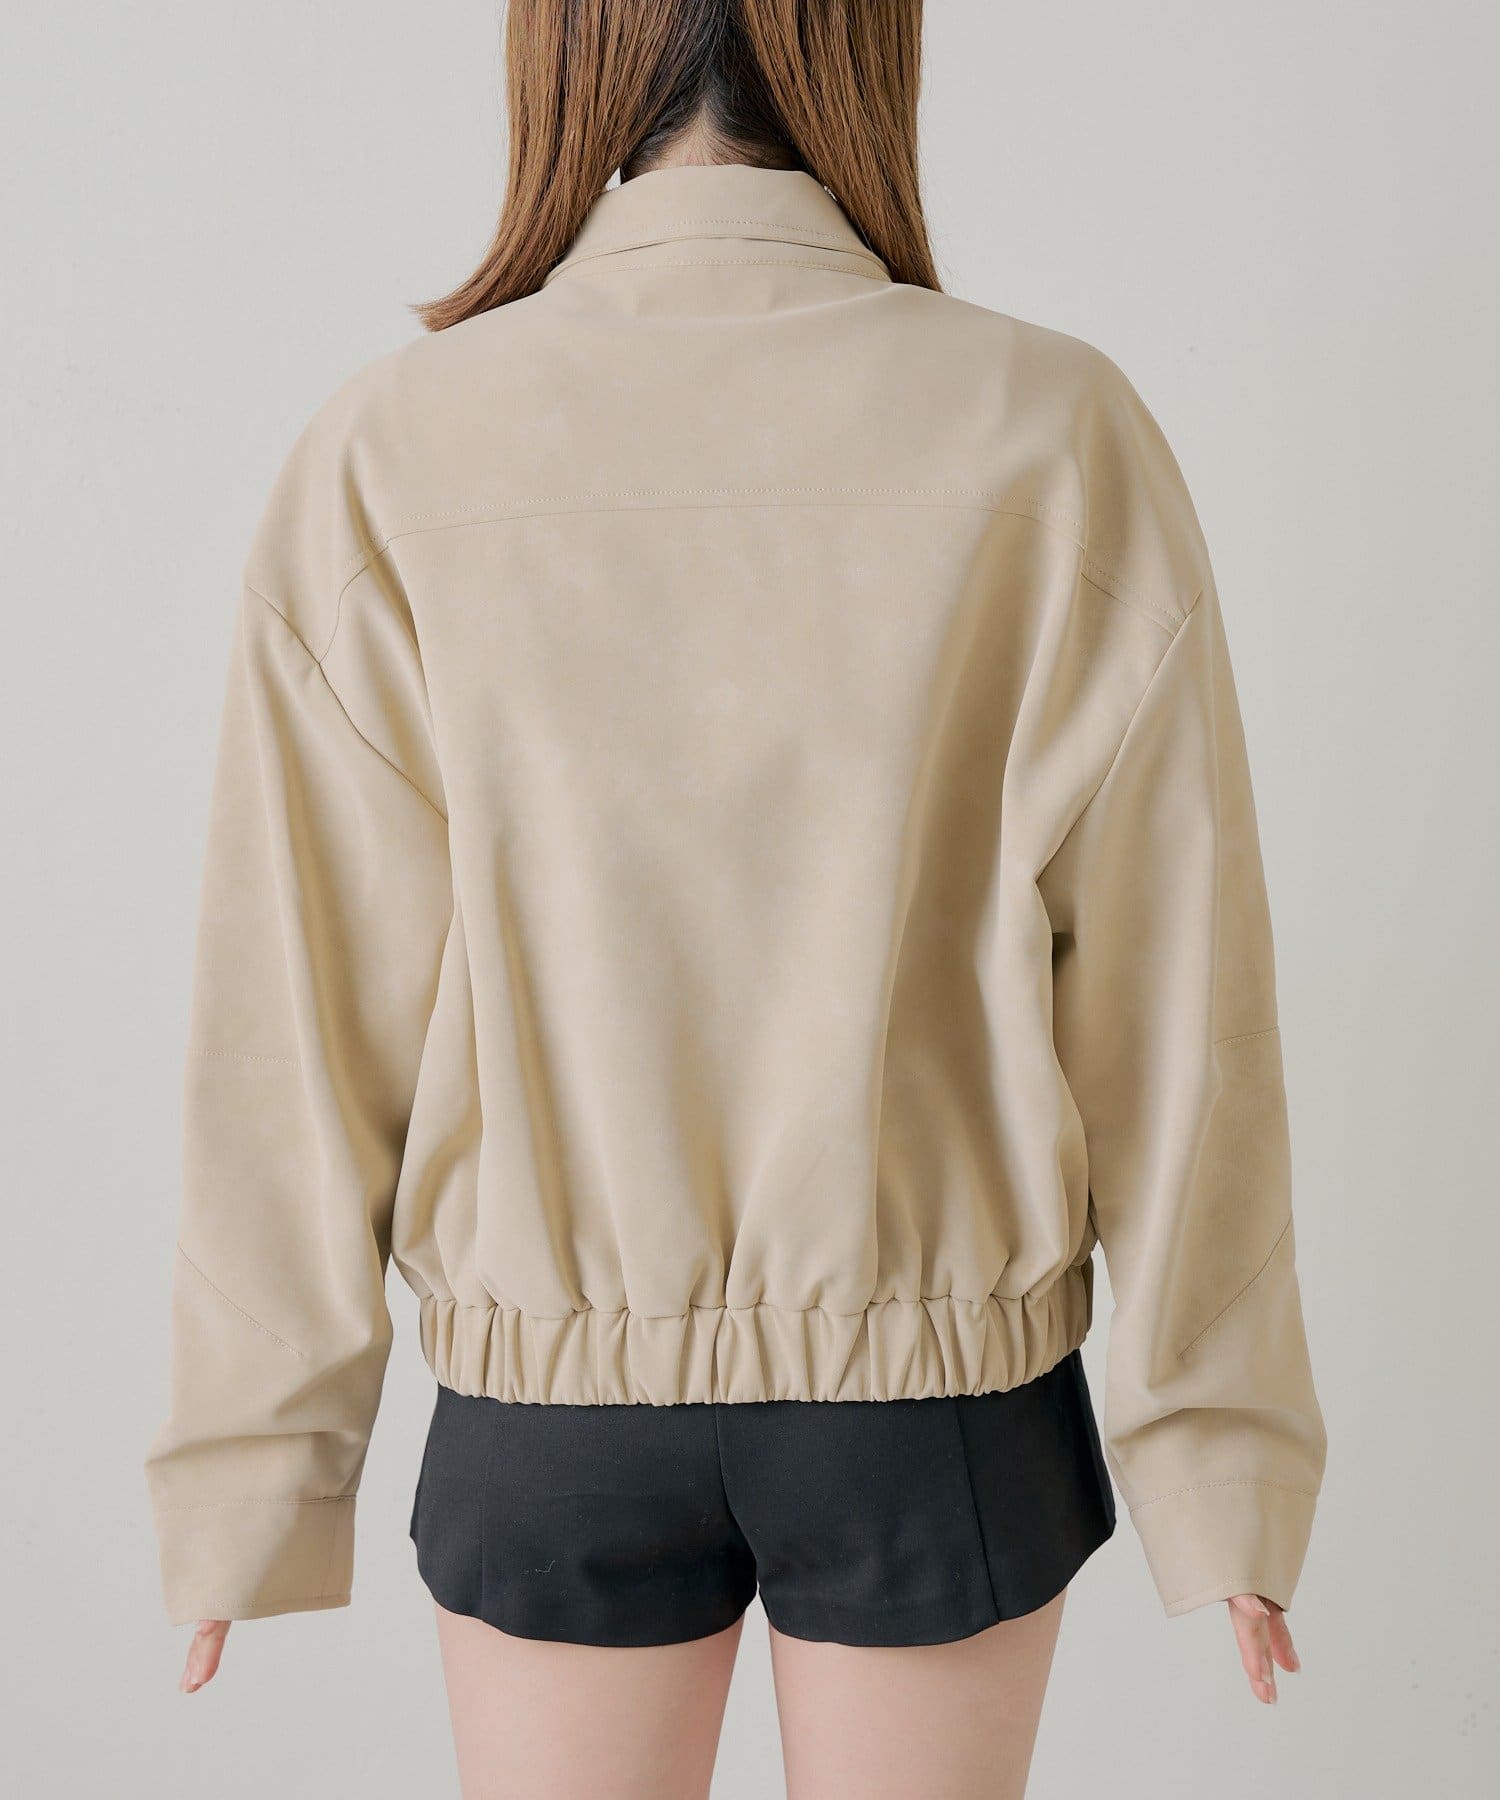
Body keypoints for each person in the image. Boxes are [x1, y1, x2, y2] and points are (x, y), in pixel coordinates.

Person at [145, 2, 1327, 1794]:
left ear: (566, 48)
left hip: (550, 1413)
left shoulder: (390, 451)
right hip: (938, 1404)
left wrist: (252, 1469)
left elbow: (296, 1022)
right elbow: (1179, 1014)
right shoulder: (1052, 428)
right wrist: (1220, 1458)